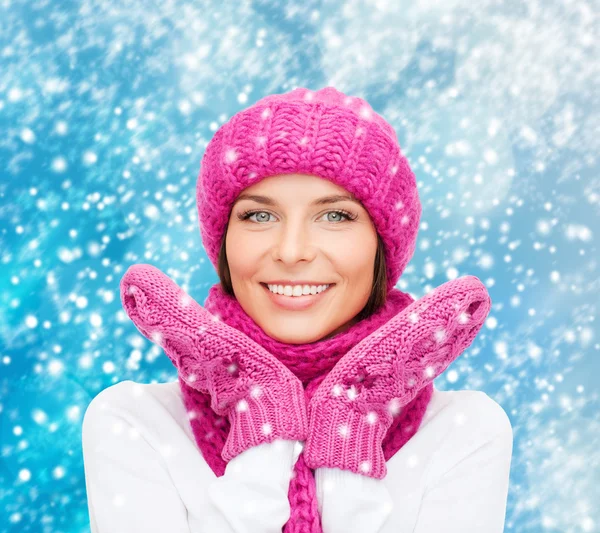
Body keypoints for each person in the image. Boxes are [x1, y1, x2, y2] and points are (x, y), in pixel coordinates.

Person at [82, 86, 513, 533]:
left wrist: (350, 426)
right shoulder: (134, 424)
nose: (292, 251)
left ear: (381, 247)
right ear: (224, 241)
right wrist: (260, 412)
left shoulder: (464, 432)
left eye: (336, 216)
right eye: (259, 216)